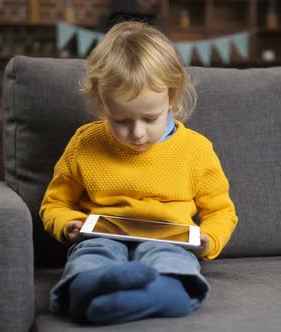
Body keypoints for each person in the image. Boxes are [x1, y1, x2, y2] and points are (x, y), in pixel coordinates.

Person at [40, 21, 238, 325]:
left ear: (171, 98)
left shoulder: (196, 150)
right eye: (120, 120)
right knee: (91, 257)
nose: (137, 133)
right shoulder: (85, 143)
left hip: (168, 238)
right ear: (102, 103)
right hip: (102, 235)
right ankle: (90, 288)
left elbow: (222, 212)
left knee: (170, 260)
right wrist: (69, 225)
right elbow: (54, 205)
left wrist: (209, 239)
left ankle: (161, 291)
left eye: (150, 118)